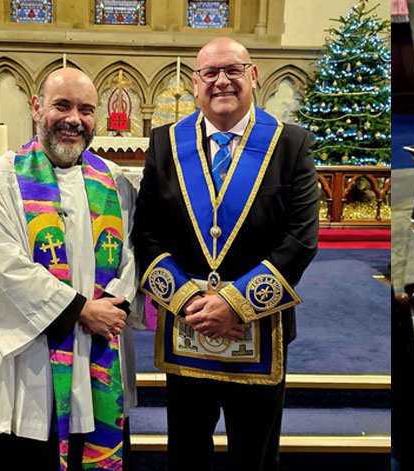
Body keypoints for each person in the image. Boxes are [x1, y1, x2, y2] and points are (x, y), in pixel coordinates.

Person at [132, 37, 319, 471]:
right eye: (210, 73)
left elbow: (300, 239)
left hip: (259, 329)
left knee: (254, 457)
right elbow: (146, 232)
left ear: (253, 76)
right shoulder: (165, 144)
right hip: (188, 326)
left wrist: (236, 305)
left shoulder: (290, 145)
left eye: (233, 70)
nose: (222, 81)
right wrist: (190, 303)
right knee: (185, 453)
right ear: (195, 84)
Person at [0, 68, 139, 470]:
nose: (74, 119)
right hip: (25, 367)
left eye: (86, 110)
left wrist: (110, 305)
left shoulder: (113, 181)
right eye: (62, 105)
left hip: (96, 355)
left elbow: (129, 254)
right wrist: (82, 310)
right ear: (37, 107)